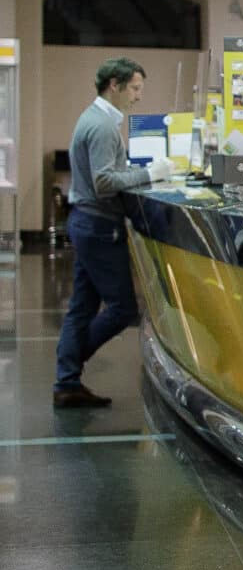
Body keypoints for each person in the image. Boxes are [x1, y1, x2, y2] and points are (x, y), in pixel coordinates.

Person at [54, 57, 173, 408]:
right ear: (114, 86)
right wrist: (151, 173)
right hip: (99, 226)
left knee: (82, 305)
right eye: (134, 88)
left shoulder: (93, 119)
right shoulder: (104, 127)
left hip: (85, 223)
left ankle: (67, 381)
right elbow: (104, 182)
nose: (137, 96)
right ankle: (69, 365)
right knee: (122, 308)